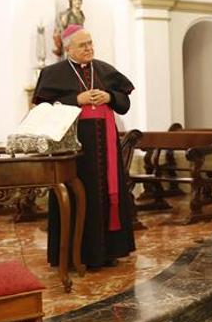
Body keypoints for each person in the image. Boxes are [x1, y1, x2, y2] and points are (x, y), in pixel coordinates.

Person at [33, 25, 136, 268]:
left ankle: (108, 252)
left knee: (105, 193)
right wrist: (75, 100)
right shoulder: (53, 73)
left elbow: (124, 102)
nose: (89, 48)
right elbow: (42, 109)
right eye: (83, 45)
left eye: (90, 43)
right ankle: (74, 255)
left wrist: (109, 97)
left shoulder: (104, 70)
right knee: (79, 196)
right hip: (74, 150)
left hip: (105, 145)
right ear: (68, 48)